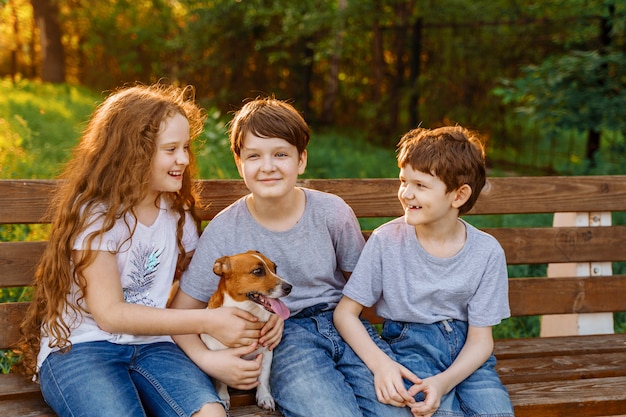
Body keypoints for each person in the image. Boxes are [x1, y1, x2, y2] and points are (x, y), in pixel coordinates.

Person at [16, 83, 269, 417]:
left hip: (154, 346)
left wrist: (266, 313)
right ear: (132, 153)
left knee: (211, 413)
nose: (184, 159)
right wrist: (209, 321)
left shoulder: (176, 214)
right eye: (171, 149)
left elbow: (202, 288)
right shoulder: (96, 215)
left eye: (186, 147)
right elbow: (110, 315)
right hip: (82, 348)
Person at [170, 96, 413, 417]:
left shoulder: (332, 212)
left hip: (346, 326)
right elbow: (182, 314)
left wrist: (384, 359)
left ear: (301, 160)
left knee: (395, 410)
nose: (268, 166)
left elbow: (365, 289)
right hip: (283, 338)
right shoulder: (224, 230)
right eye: (254, 156)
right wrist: (209, 359)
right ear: (239, 162)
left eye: (281, 154)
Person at [334, 126, 515, 417]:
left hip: (470, 359)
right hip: (410, 349)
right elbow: (345, 314)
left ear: (458, 195)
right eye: (403, 181)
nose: (406, 193)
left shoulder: (487, 252)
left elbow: (481, 341)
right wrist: (381, 365)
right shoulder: (386, 241)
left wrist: (444, 382)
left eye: (420, 185)